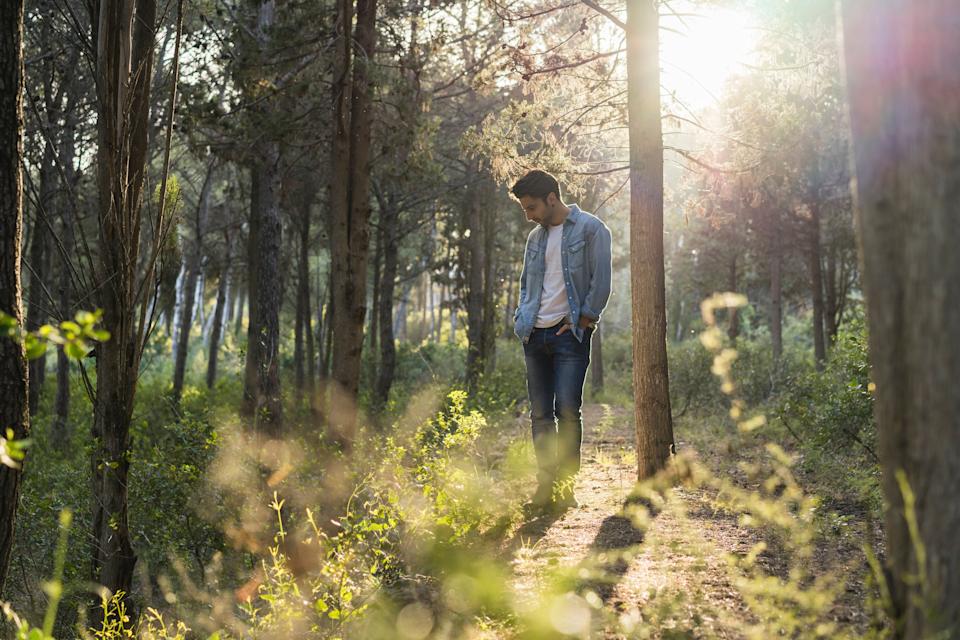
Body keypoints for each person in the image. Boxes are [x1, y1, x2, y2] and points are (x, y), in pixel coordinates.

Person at [510, 170, 612, 513]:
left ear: (552, 198)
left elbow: (602, 281)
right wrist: (521, 318)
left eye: (532, 207)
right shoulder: (535, 239)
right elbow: (527, 285)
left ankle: (566, 488)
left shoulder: (592, 229)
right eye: (525, 209)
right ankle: (544, 486)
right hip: (534, 335)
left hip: (570, 336)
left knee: (567, 411)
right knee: (540, 414)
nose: (529, 215)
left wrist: (584, 319)